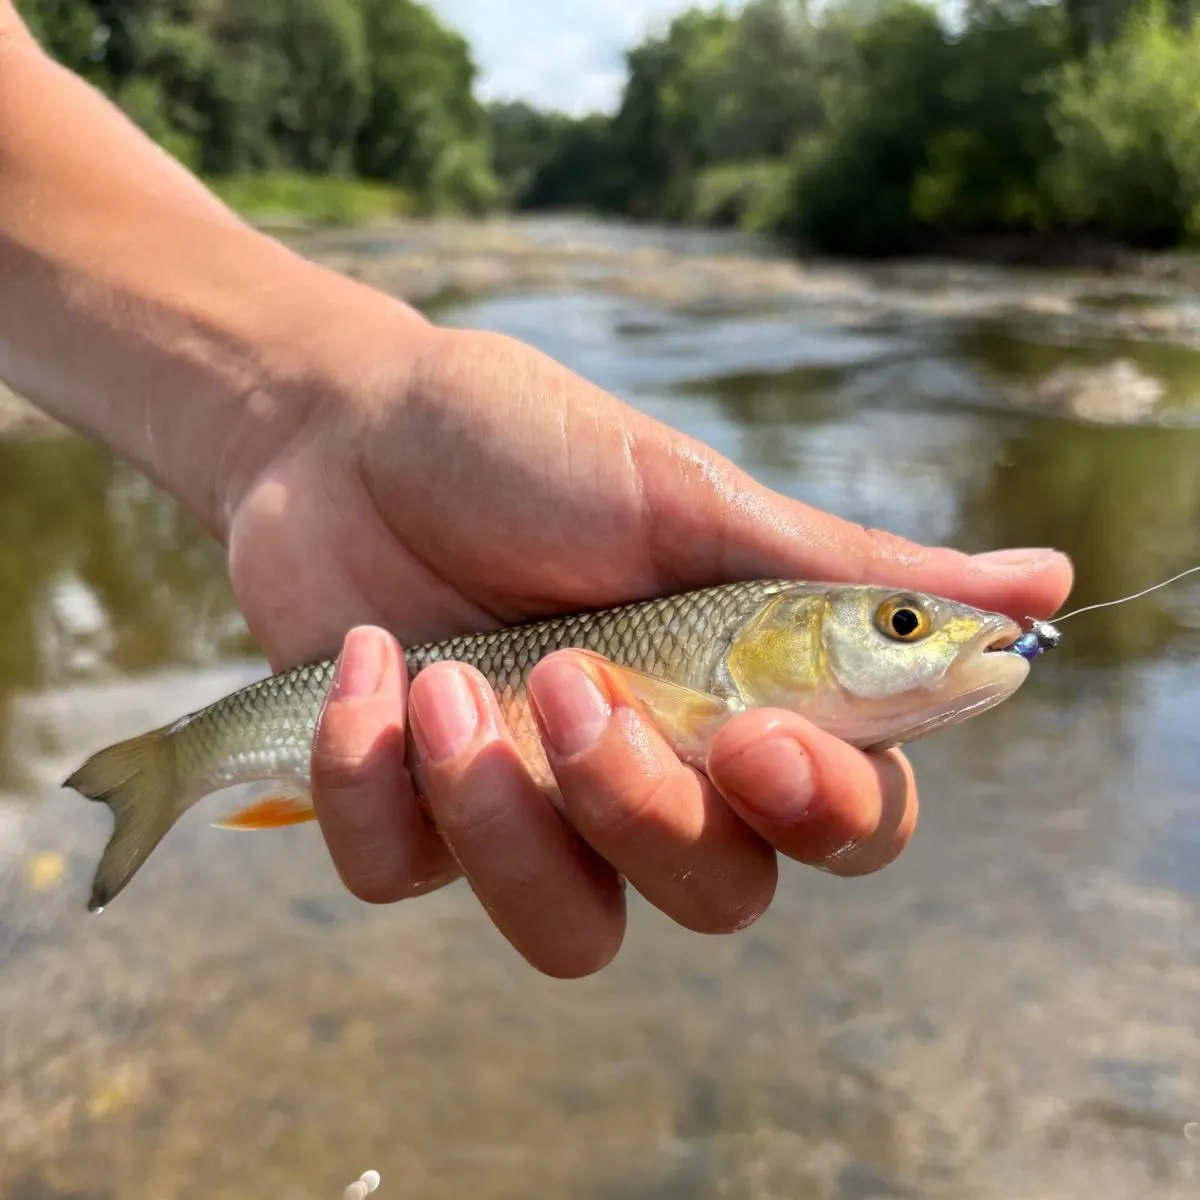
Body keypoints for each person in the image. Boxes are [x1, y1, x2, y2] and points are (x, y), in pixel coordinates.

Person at [0, 8, 1071, 978]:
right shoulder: (736, 661)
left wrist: (309, 418)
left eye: (903, 620)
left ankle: (185, 758)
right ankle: (177, 765)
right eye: (901, 617)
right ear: (770, 637)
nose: (922, 632)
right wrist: (307, 425)